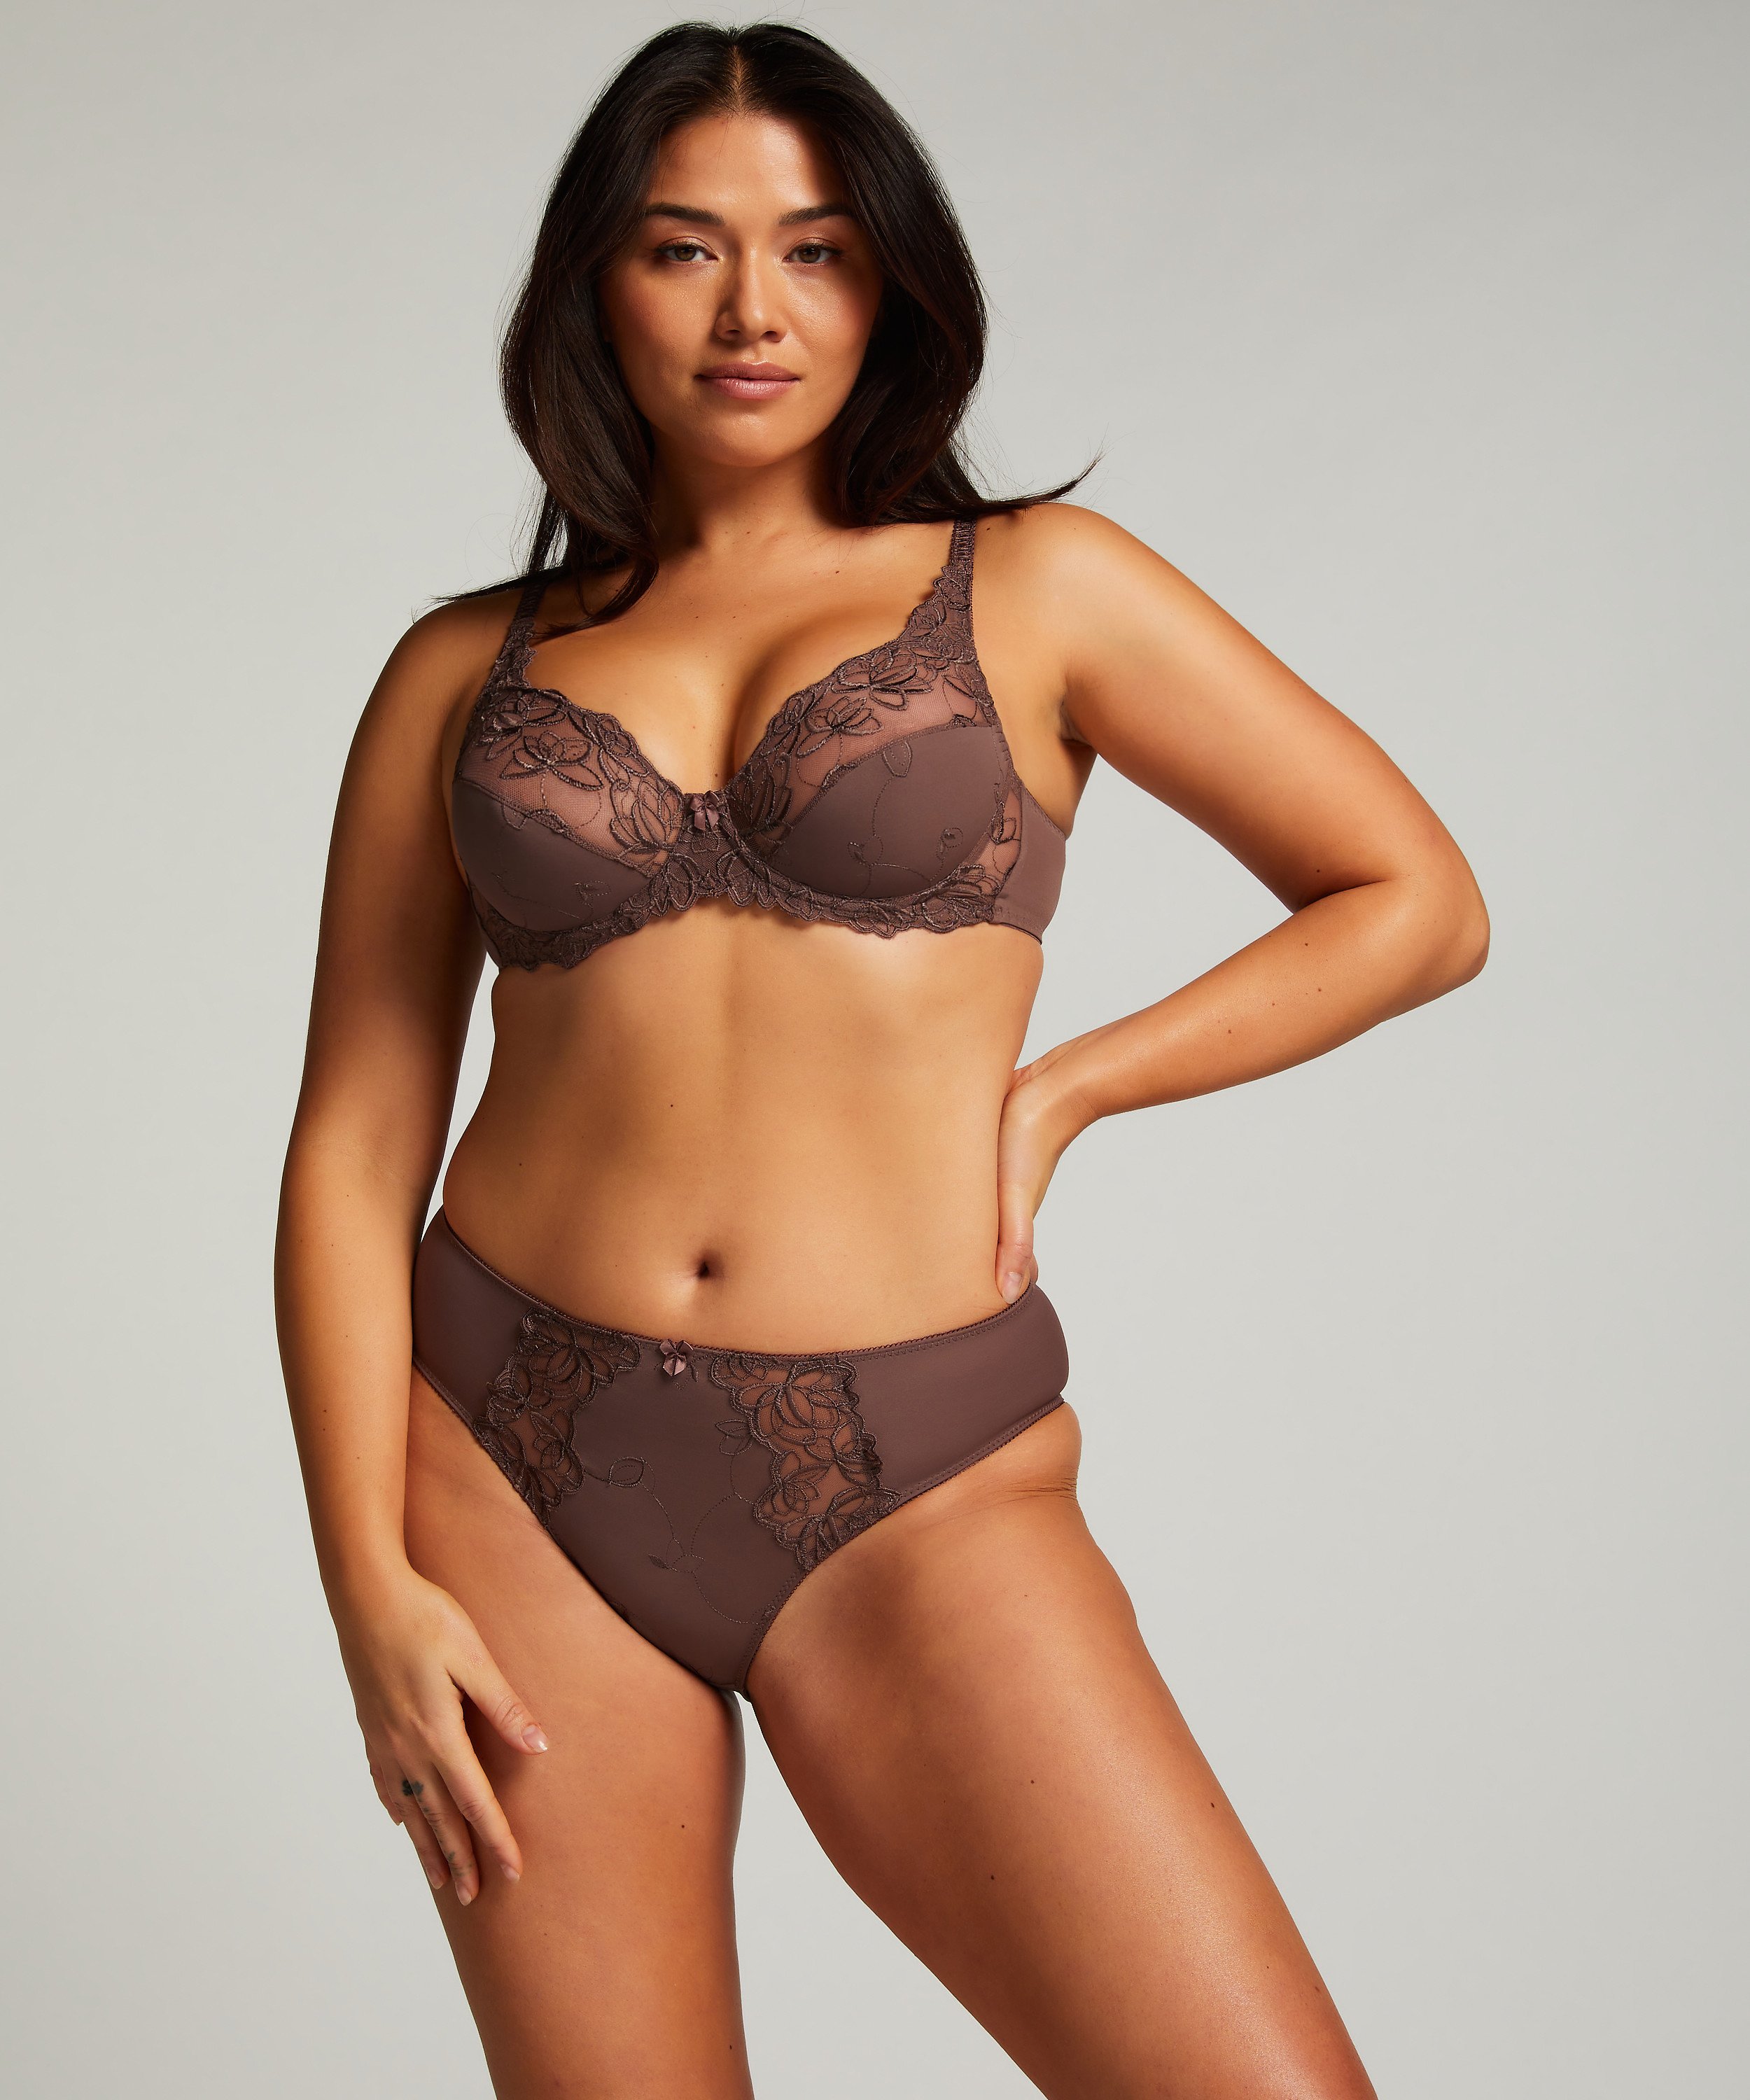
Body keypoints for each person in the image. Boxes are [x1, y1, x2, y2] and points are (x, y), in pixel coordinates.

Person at [276, 21, 1486, 2097]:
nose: (753, 308)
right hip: (502, 1455)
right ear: (595, 285)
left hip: (911, 1478)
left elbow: (1413, 898)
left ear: (889, 282)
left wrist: (1070, 1086)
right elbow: (350, 1144)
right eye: (685, 247)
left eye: (816, 249)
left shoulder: (1041, 587)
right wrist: (365, 1591)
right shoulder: (461, 670)